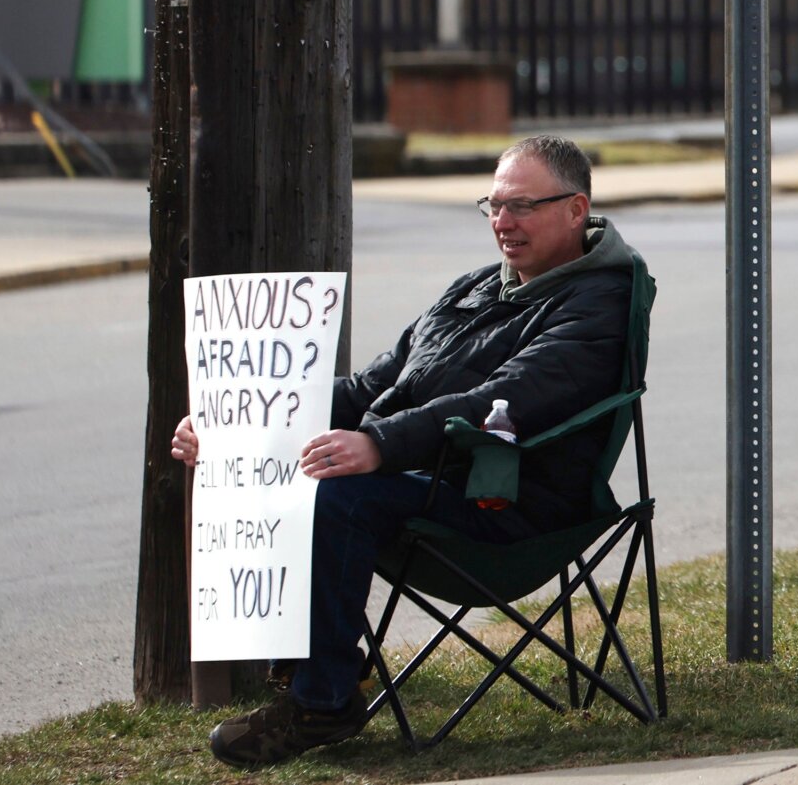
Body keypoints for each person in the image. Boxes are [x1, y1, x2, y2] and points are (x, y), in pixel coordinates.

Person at [171, 135, 644, 768]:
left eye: (523, 207)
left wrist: (378, 444)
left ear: (576, 208)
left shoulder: (599, 303)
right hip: (430, 482)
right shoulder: (473, 290)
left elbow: (504, 399)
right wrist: (235, 422)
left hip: (510, 506)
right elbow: (372, 387)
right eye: (494, 206)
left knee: (338, 491)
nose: (503, 223)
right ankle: (313, 673)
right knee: (306, 471)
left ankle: (324, 702)